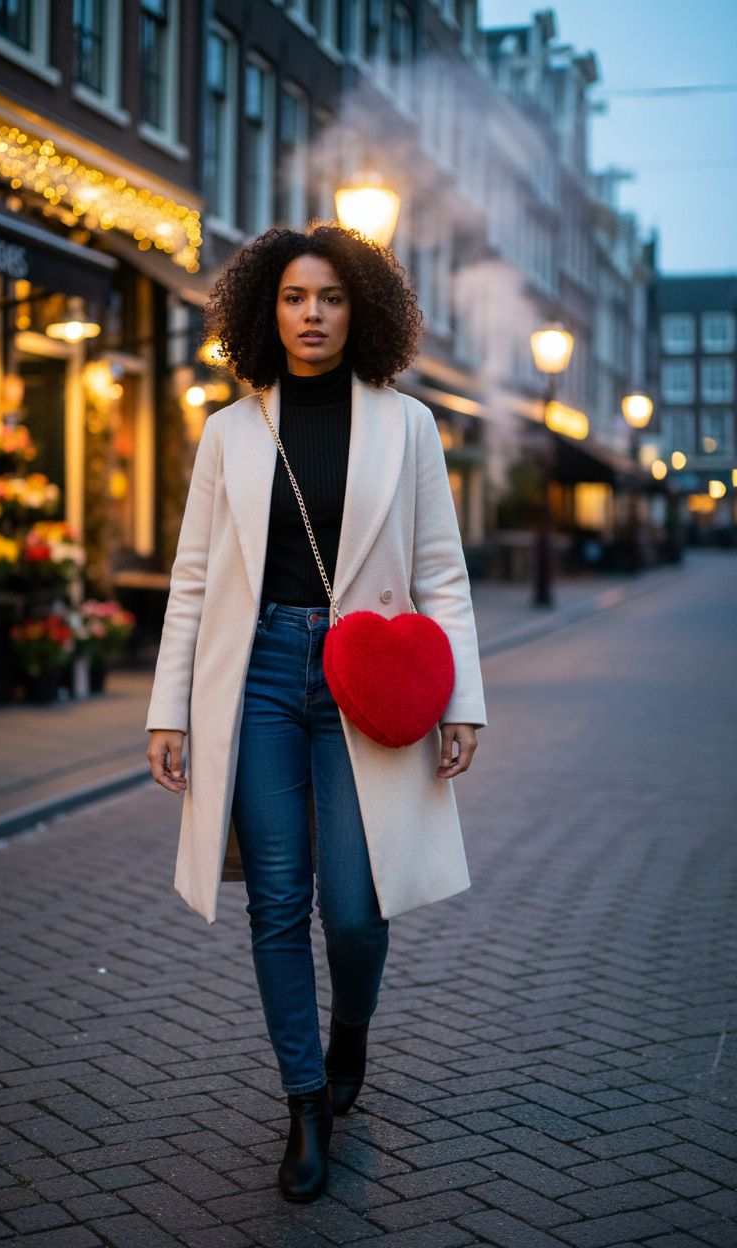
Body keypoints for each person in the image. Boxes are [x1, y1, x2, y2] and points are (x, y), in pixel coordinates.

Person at [145, 222, 487, 1203]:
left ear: (359, 311)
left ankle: (351, 1031)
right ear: (267, 309)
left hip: (364, 680)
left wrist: (460, 694)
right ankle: (303, 1102)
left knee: (354, 903)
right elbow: (196, 579)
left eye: (330, 299)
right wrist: (169, 710)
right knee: (278, 899)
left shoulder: (407, 425)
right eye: (295, 298)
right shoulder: (229, 431)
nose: (311, 315)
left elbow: (439, 574)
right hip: (254, 675)